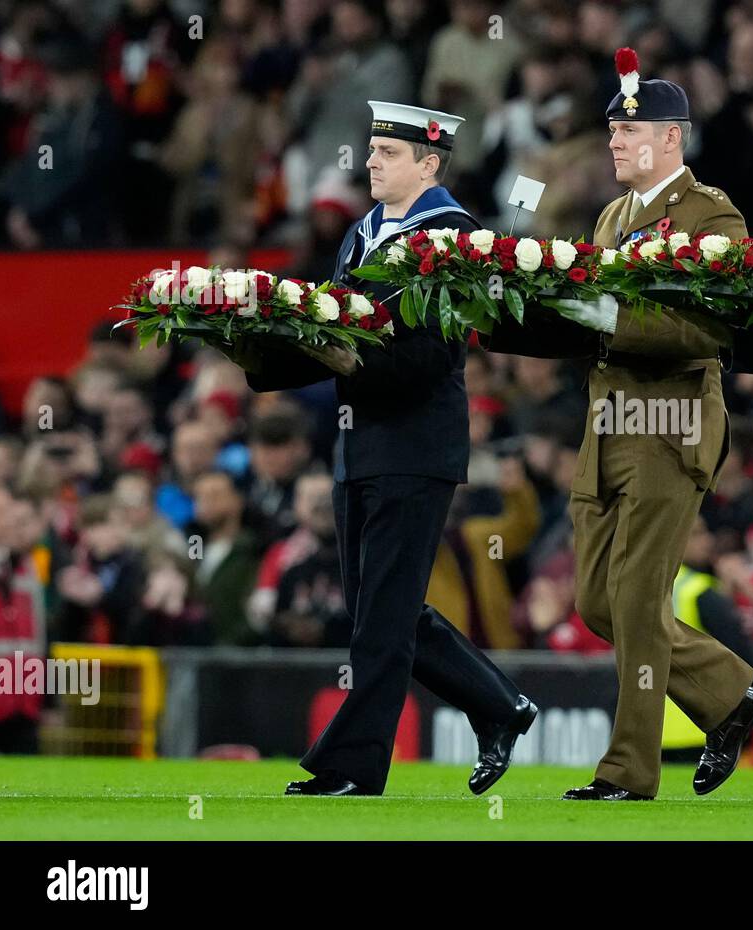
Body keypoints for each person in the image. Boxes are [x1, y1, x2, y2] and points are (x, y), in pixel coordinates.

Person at [227, 101, 534, 798]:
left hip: (415, 444)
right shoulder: (365, 232)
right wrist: (254, 348)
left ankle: (354, 766)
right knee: (380, 614)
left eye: (386, 153)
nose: (368, 161)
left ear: (428, 163)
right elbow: (334, 333)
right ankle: (498, 704)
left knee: (381, 621)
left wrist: (343, 362)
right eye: (370, 149)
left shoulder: (454, 238)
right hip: (358, 445)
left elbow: (429, 358)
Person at [484, 49, 753, 802]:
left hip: (671, 419)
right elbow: (593, 323)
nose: (612, 142)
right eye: (610, 130)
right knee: (597, 603)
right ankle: (731, 696)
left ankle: (628, 772)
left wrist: (607, 315)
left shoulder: (713, 215)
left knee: (640, 601)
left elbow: (711, 329)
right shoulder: (612, 217)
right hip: (606, 422)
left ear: (670, 139)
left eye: (626, 131)